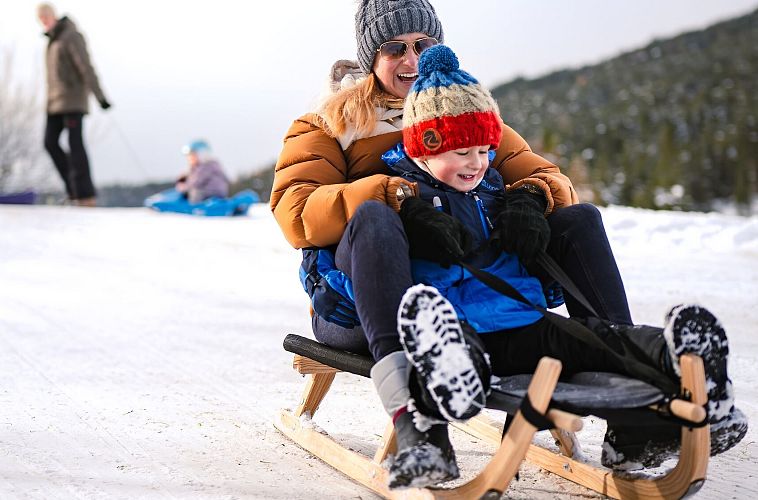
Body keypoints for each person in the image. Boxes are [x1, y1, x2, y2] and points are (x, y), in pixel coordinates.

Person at [271, 0, 632, 486]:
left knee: (580, 220)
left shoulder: (463, 110)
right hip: (362, 301)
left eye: (424, 45)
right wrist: (393, 194)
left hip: (475, 293)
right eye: (394, 48)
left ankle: (629, 406)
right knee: (376, 219)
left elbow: (549, 177)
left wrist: (530, 196)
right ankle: (417, 422)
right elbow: (296, 213)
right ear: (370, 58)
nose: (412, 60)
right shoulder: (327, 125)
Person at [379, 44, 747, 488]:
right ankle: (453, 377)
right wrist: (407, 217)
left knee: (601, 341)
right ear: (423, 148)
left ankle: (683, 359)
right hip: (458, 327)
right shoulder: (401, 199)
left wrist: (529, 199)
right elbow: (366, 264)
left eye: (483, 150)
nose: (476, 164)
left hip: (525, 321)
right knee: (457, 352)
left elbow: (545, 190)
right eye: (461, 152)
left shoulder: (495, 191)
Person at [37, 3, 111, 207]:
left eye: (46, 17)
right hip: (54, 102)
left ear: (53, 16)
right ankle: (73, 189)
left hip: (72, 100)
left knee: (75, 144)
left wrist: (100, 97)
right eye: (41, 20)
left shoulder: (71, 36)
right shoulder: (51, 41)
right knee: (49, 142)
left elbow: (86, 67)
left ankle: (85, 195)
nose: (44, 22)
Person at [176, 139, 230, 204]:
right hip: (214, 194)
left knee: (195, 191)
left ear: (202, 155)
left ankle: (194, 206)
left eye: (192, 155)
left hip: (211, 194)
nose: (189, 159)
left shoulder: (207, 167)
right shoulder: (207, 166)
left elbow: (195, 182)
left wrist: (183, 187)